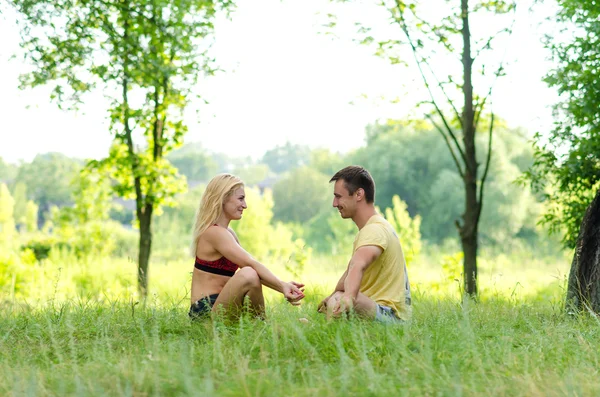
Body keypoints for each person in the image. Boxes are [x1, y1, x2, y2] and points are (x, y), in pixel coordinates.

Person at [189, 173, 305, 319]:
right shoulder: (214, 233)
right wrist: (282, 286)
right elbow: (250, 264)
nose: (245, 205)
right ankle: (260, 326)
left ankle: (259, 328)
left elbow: (254, 273)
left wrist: (282, 285)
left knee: (302, 322)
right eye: (241, 199)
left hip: (225, 306)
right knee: (248, 272)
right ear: (223, 199)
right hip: (206, 314)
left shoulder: (228, 232)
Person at [318, 166, 412, 323]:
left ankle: (330, 337)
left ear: (359, 194)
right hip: (385, 313)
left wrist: (347, 297)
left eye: (338, 197)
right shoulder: (375, 227)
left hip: (392, 319)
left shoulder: (374, 230)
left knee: (341, 298)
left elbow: (358, 265)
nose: (335, 203)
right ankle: (328, 328)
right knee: (337, 298)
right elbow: (349, 274)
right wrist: (330, 298)